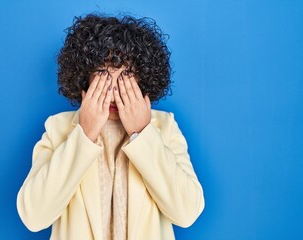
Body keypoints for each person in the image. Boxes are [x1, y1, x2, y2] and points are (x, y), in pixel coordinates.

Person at [17, 13, 204, 240]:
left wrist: (143, 133)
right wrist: (84, 135)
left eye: (126, 75)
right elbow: (34, 217)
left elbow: (187, 213)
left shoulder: (164, 127)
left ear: (143, 78)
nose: (114, 91)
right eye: (103, 75)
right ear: (84, 76)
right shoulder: (59, 128)